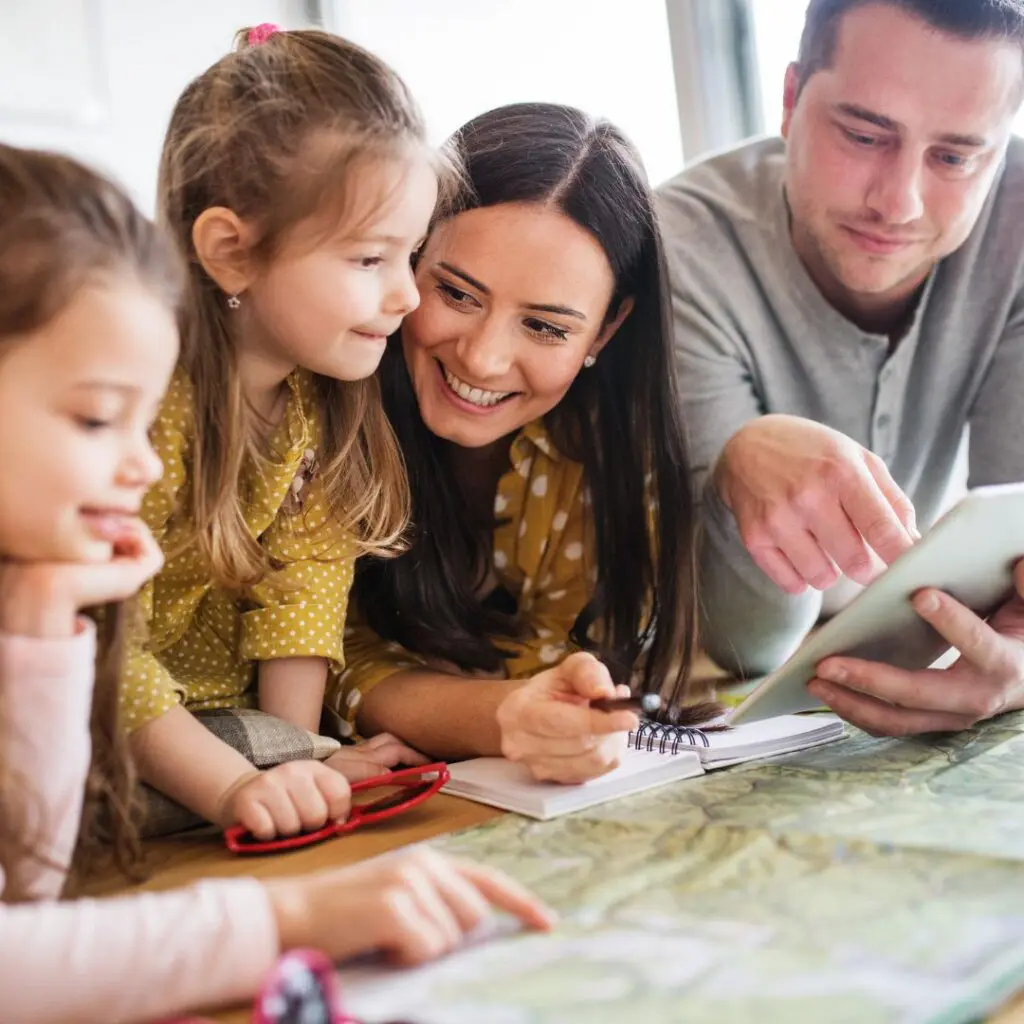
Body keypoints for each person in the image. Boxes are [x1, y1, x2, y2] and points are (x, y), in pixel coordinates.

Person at [0, 140, 554, 1024]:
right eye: (99, 417)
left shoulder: (322, 409)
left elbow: (27, 884)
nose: (141, 465)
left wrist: (44, 623)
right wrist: (289, 917)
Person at [657, 0, 1024, 734]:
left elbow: (1016, 529)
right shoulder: (671, 247)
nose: (899, 203)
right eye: (863, 134)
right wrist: (740, 460)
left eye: (955, 157)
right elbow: (744, 636)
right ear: (790, 101)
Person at [328, 102, 709, 784]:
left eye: (544, 327)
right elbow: (329, 660)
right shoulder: (325, 411)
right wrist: (507, 715)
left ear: (605, 332)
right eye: (457, 293)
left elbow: (570, 666)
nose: (481, 359)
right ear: (408, 253)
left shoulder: (617, 452)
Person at [122, 26, 441, 838]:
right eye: (371, 260)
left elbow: (303, 593)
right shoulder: (146, 404)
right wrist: (237, 787)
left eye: (412, 254)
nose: (407, 295)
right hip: (105, 710)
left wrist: (300, 757)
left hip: (217, 727)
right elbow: (99, 653)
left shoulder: (319, 399)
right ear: (231, 253)